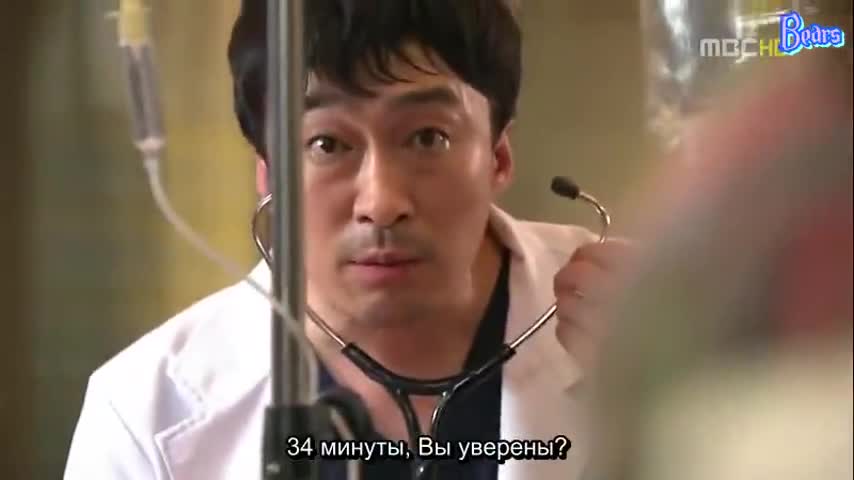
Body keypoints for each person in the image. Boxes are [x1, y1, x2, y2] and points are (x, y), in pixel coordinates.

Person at [64, 1, 632, 479]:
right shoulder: (144, 414)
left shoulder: (639, 316)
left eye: (428, 138)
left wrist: (660, 404)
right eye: (327, 145)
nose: (381, 202)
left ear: (498, 157)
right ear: (269, 174)